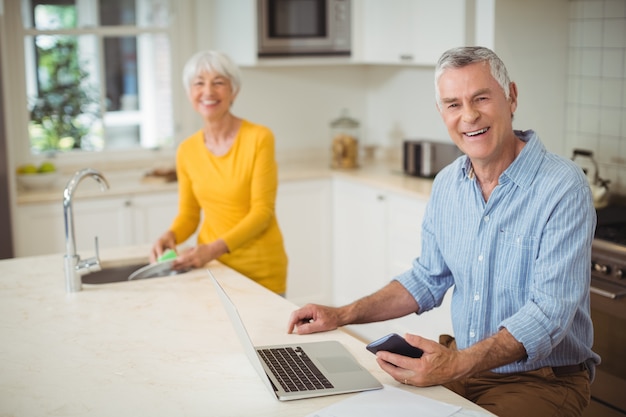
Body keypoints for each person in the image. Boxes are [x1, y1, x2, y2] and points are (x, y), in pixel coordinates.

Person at [287, 46, 599, 417]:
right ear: (442, 113)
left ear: (511, 97)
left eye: (481, 98)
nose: (469, 116)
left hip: (540, 380)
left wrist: (456, 364)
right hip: (461, 365)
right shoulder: (448, 183)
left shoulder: (563, 187)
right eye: (453, 104)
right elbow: (426, 279)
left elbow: (548, 315)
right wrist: (342, 314)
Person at [151, 50, 288, 294]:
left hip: (261, 271)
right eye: (199, 83)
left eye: (218, 83)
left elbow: (262, 212)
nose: (208, 92)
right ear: (189, 93)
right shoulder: (186, 150)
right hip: (213, 270)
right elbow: (189, 214)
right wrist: (170, 235)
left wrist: (212, 249)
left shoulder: (259, 138)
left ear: (233, 91)